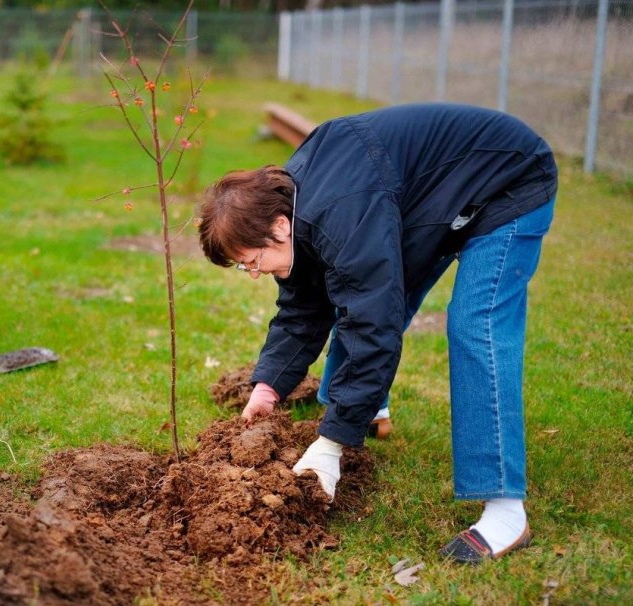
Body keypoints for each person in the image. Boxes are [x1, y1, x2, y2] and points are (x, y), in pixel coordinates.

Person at [197, 103, 558, 564]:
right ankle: (364, 409)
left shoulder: (338, 212)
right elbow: (304, 308)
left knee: (475, 325)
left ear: (279, 227)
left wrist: (330, 446)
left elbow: (373, 322)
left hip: (507, 178)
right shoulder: (293, 208)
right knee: (360, 289)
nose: (252, 273)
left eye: (250, 261)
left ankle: (506, 510)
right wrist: (269, 385)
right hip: (430, 196)